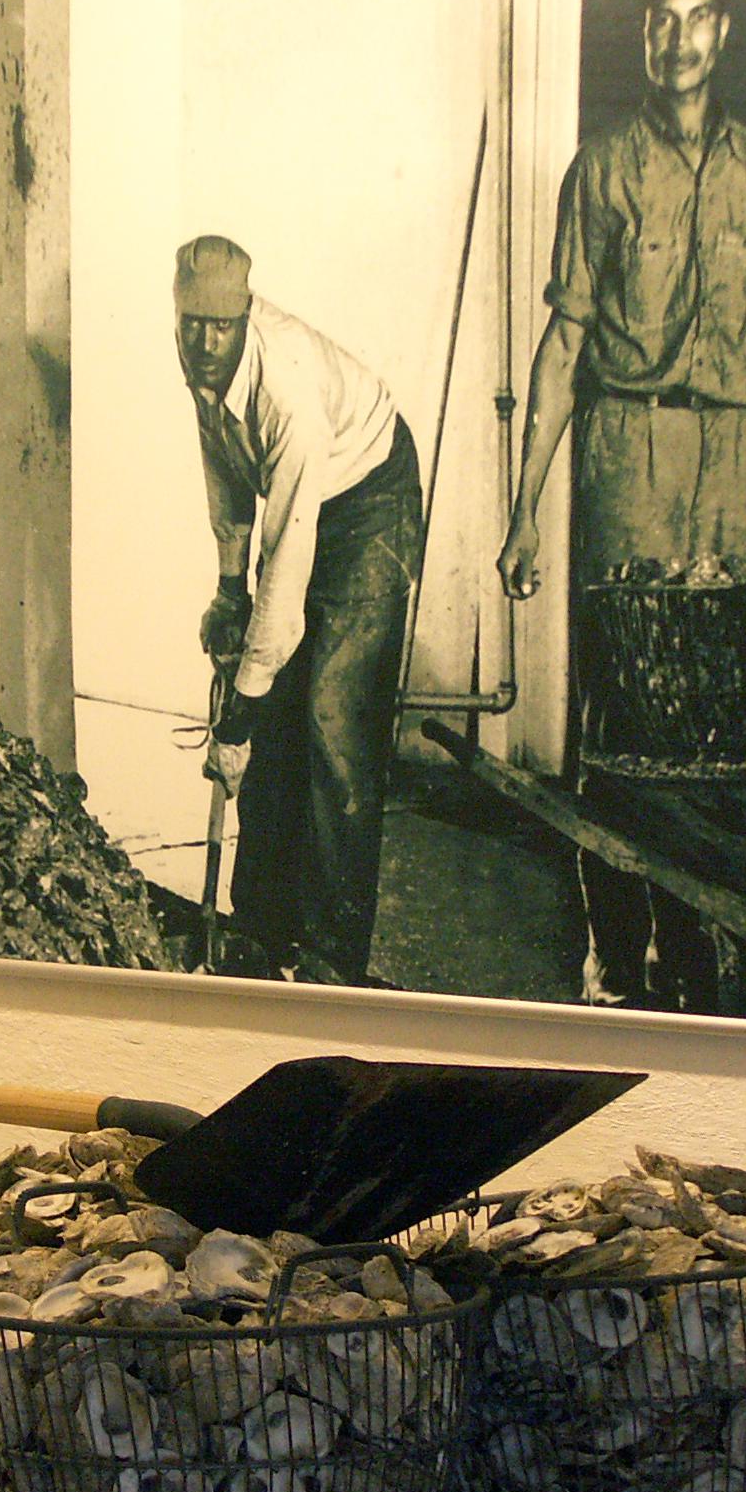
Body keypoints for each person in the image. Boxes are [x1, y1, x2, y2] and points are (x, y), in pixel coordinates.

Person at [498, 0, 746, 1011]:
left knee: (715, 707)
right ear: (642, 37)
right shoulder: (601, 171)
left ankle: (697, 953)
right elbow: (562, 349)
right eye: (661, 22)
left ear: (723, 33)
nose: (678, 40)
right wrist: (523, 515)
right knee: (624, 706)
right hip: (628, 448)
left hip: (731, 457)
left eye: (697, 19)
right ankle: (613, 947)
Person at [179, 235, 423, 985]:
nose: (206, 342)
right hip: (307, 496)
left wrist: (235, 725)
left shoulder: (286, 388)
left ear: (248, 315)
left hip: (370, 494)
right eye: (193, 323)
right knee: (279, 713)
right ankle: (259, 930)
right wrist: (227, 584)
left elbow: (284, 584)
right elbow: (222, 462)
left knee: (330, 719)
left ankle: (329, 960)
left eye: (223, 327)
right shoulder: (196, 358)